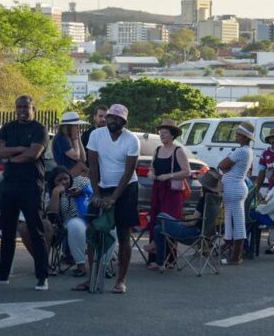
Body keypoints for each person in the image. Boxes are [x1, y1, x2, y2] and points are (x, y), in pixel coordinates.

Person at [0, 95, 50, 291]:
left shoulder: (40, 130)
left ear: (33, 108)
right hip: (10, 186)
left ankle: (42, 275)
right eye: (19, 106)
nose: (22, 110)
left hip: (31, 186)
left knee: (35, 230)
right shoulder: (7, 128)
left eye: (26, 107)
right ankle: (2, 272)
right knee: (7, 232)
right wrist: (21, 148)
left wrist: (11, 157)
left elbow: (34, 154)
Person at [78, 104, 140, 294]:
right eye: (111, 118)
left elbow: (129, 172)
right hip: (102, 185)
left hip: (126, 188)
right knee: (93, 230)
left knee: (123, 235)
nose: (113, 121)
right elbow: (93, 166)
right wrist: (96, 194)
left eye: (118, 119)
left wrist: (113, 198)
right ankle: (91, 277)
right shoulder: (96, 135)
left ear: (124, 122)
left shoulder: (132, 140)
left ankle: (121, 280)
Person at [148, 171, 221, 272]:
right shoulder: (215, 201)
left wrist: (180, 222)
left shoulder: (204, 200)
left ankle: (156, 249)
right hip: (205, 235)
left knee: (161, 215)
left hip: (191, 234)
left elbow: (192, 222)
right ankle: (159, 262)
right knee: (158, 229)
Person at [145, 119, 190, 260]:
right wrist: (151, 174)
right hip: (157, 190)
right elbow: (151, 168)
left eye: (165, 133)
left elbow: (186, 172)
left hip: (172, 192)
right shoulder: (157, 150)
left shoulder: (178, 150)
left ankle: (168, 259)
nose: (161, 135)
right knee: (155, 220)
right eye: (160, 133)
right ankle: (155, 258)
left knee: (168, 222)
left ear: (172, 135)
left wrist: (169, 176)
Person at [218, 122, 255, 265]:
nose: (236, 136)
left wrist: (228, 167)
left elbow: (222, 165)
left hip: (233, 187)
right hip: (236, 186)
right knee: (232, 221)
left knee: (237, 223)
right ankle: (233, 252)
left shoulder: (240, 151)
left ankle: (235, 256)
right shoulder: (247, 151)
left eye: (239, 134)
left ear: (245, 137)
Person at [45, 166, 92, 277]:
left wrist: (83, 191)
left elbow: (94, 191)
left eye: (65, 178)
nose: (64, 182)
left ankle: (102, 266)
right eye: (59, 180)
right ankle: (81, 266)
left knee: (106, 225)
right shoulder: (51, 193)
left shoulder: (80, 181)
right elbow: (52, 215)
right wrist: (56, 193)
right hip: (70, 223)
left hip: (90, 217)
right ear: (53, 182)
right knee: (75, 225)